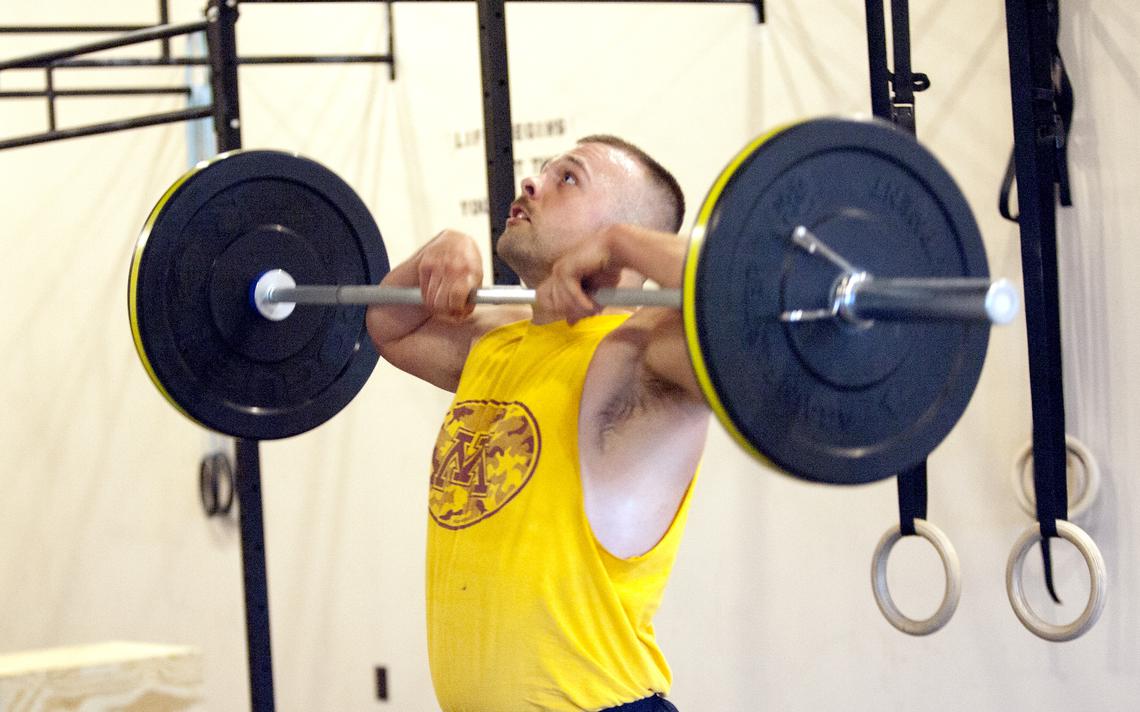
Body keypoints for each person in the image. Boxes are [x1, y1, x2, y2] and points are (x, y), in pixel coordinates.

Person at [366, 135, 709, 712]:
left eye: (567, 178)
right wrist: (437, 250)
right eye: (542, 172)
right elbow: (387, 324)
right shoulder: (498, 340)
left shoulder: (643, 356)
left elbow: (752, 298)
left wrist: (620, 244)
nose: (530, 183)